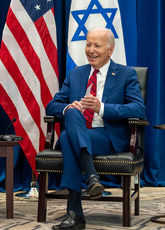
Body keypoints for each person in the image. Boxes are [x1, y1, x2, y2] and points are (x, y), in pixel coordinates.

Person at [46, 27, 145, 230]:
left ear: (110, 50)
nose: (91, 50)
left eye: (97, 45)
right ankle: (91, 177)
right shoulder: (75, 74)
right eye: (88, 44)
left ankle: (75, 213)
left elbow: (138, 108)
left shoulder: (126, 74)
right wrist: (67, 107)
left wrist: (103, 108)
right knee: (72, 114)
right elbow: (52, 106)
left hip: (106, 137)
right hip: (80, 132)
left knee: (66, 138)